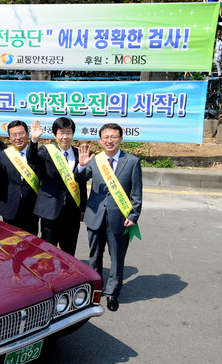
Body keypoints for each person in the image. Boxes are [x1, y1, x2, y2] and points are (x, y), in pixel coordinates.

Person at [77, 123, 142, 312]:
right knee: (94, 257)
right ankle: (95, 291)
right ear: (100, 140)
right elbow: (80, 180)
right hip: (95, 216)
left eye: (114, 137)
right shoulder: (95, 160)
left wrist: (134, 214)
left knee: (117, 258)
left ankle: (112, 293)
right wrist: (81, 167)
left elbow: (136, 193)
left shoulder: (132, 162)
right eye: (106, 137)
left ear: (121, 138)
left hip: (120, 218)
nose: (109, 140)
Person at [29, 117, 87, 256]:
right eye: (61, 133)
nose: (65, 136)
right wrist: (34, 141)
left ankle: (68, 276)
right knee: (48, 250)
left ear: (73, 134)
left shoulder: (79, 154)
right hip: (51, 209)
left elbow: (82, 183)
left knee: (69, 249)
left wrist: (82, 207)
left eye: (68, 132)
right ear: (55, 135)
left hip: (72, 211)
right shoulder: (46, 150)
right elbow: (33, 160)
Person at [0, 120, 40, 235]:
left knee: (31, 244)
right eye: (14, 135)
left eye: (21, 133)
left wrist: (34, 141)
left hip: (31, 208)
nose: (18, 138)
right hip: (10, 207)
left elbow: (36, 160)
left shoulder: (37, 154)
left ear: (27, 134)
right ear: (9, 138)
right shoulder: (3, 154)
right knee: (10, 243)